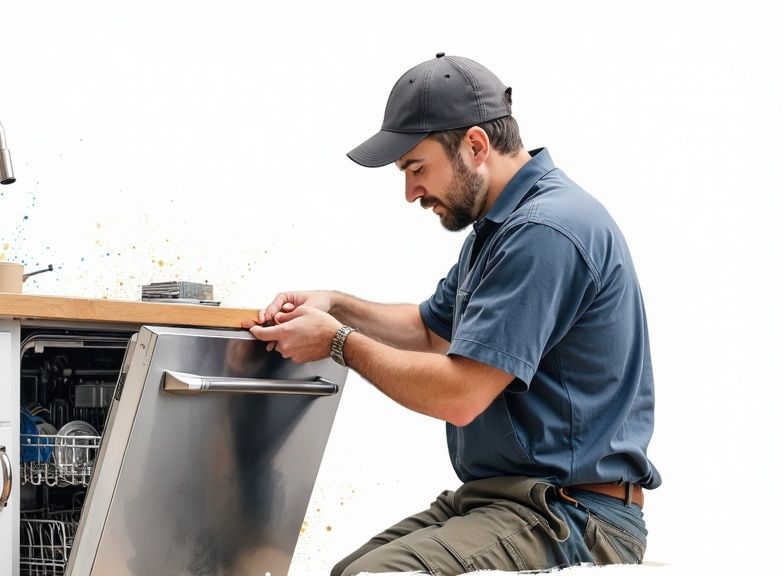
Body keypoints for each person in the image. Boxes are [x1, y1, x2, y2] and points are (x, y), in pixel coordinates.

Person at [243, 53, 661, 575]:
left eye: (417, 168)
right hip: (507, 499)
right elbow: (428, 329)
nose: (410, 192)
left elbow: (459, 395)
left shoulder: (545, 233)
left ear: (476, 146)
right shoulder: (502, 227)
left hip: (575, 516)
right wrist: (334, 302)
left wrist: (337, 341)